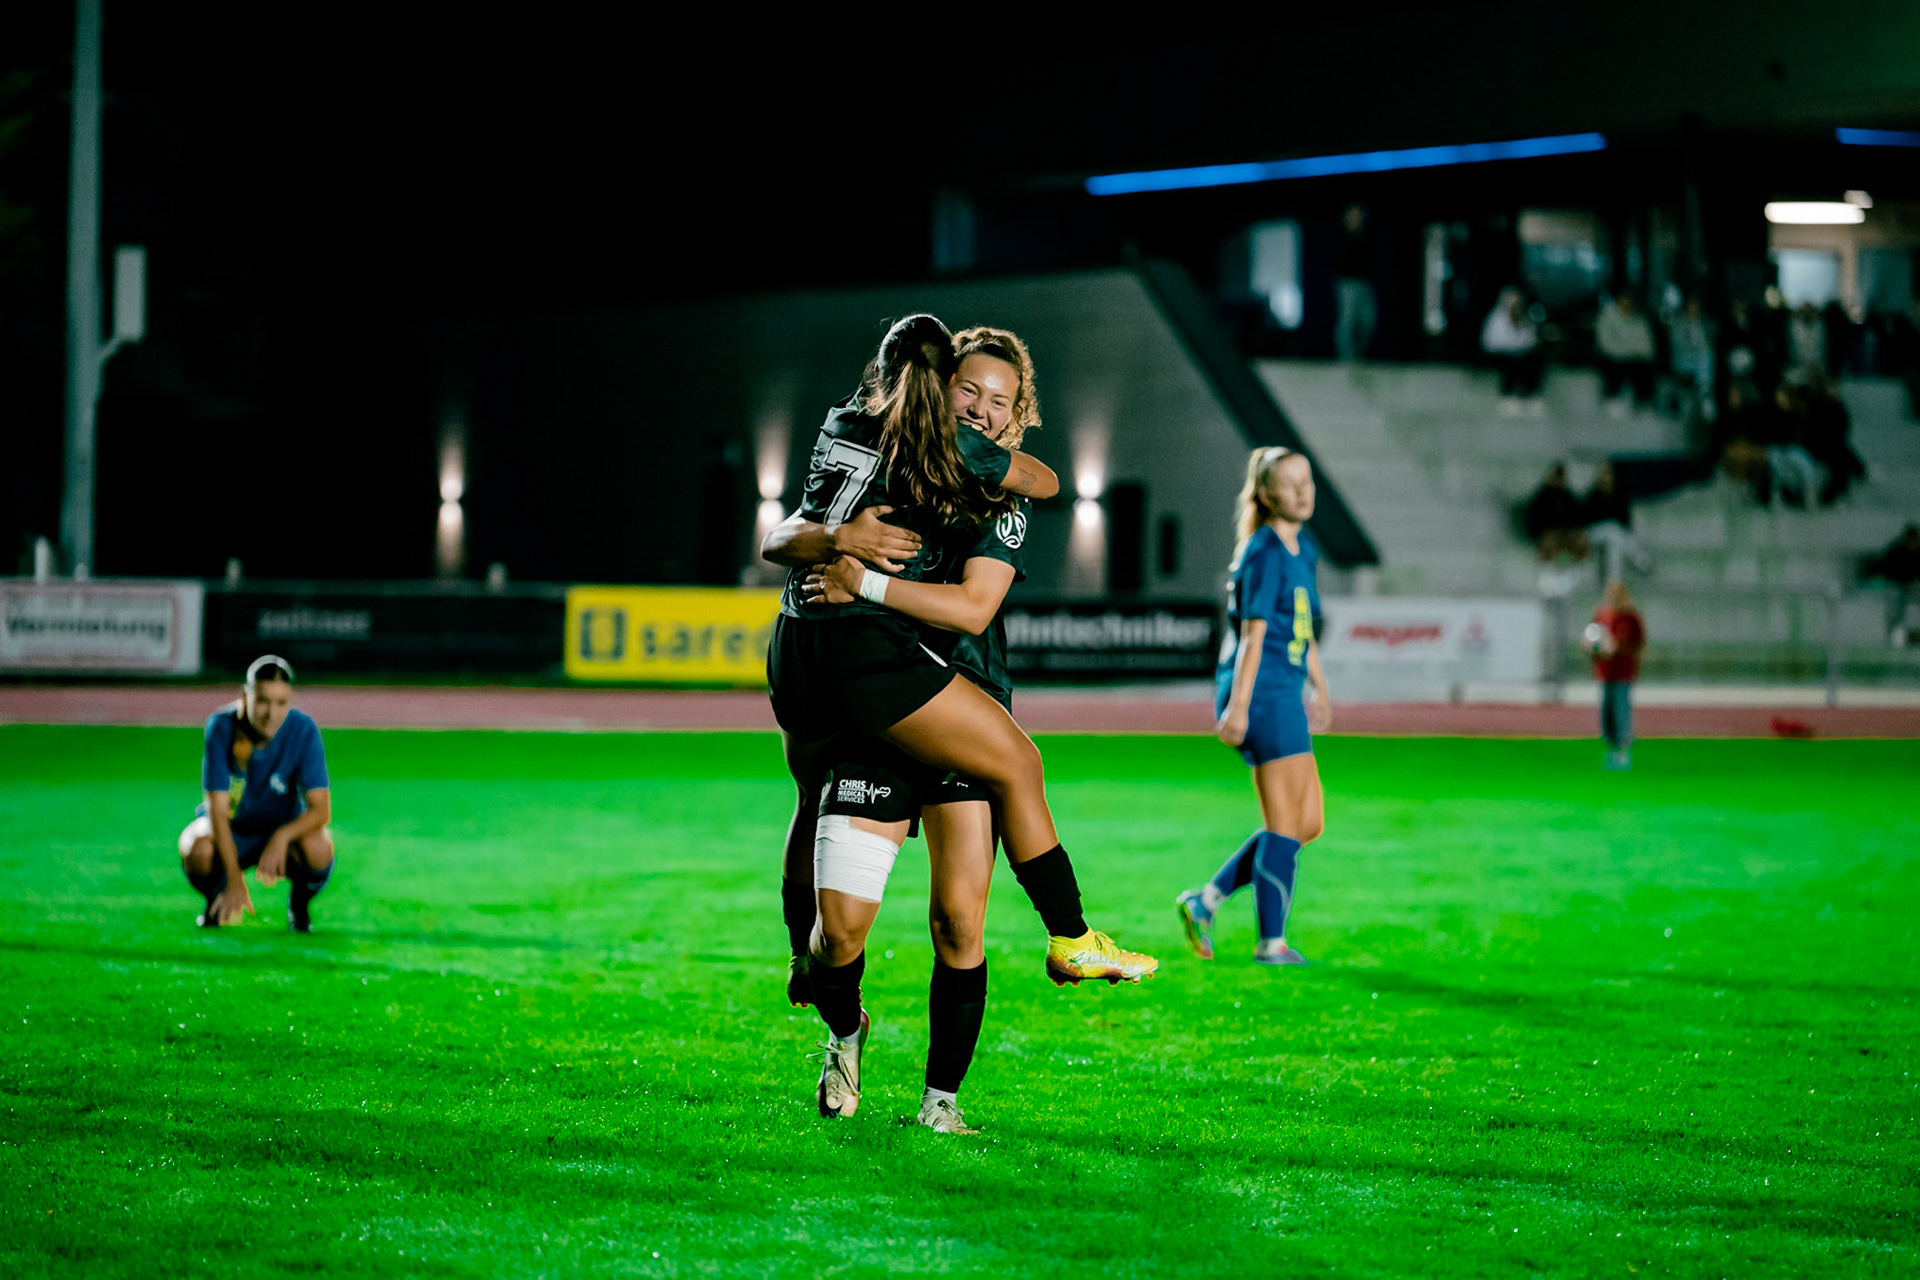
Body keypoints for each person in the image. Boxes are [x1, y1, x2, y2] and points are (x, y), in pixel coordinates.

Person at [761, 318, 1152, 1114]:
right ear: (938, 388)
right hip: (882, 693)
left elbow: (976, 603)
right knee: (837, 937)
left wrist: (857, 580)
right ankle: (844, 1032)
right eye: (967, 388)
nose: (980, 407)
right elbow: (786, 532)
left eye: (999, 400)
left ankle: (942, 1101)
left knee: (958, 923)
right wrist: (837, 543)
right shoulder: (898, 441)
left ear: (1018, 414)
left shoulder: (996, 489)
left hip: (951, 697)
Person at [1176, 447, 1332, 967]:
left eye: (1306, 480)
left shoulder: (1301, 547)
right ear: (1266, 494)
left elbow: (1302, 626)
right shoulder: (1263, 551)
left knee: (1307, 823)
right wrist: (1238, 708)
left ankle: (1206, 901)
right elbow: (1253, 635)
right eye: (1290, 484)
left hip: (1284, 689)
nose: (1303, 491)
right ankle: (1271, 943)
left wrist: (1320, 684)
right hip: (1261, 692)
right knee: (1286, 824)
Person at [177, 655, 335, 931]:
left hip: (279, 829)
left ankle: (299, 906)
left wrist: (282, 836)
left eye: (281, 703)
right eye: (262, 701)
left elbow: (321, 810)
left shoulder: (303, 730)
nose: (270, 714)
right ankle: (217, 898)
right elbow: (217, 810)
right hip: (232, 830)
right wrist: (234, 879)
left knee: (319, 847)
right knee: (195, 847)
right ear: (245, 696)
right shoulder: (221, 727)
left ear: (291, 701)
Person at [1587, 581, 1646, 770]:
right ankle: (1610, 747)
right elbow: (1591, 638)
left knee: (1621, 708)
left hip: (1623, 671)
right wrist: (1594, 650)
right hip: (1606, 670)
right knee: (1607, 709)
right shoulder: (1602, 616)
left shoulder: (1631, 618)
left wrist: (1618, 648)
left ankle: (1623, 748)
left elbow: (1638, 643)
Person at [1481, 287, 1544, 413]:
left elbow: (1530, 340)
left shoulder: (1525, 317)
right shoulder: (1497, 317)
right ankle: (1508, 395)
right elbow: (1490, 342)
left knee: (1531, 360)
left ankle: (1530, 394)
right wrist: (1512, 347)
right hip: (1499, 354)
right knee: (1510, 362)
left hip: (1519, 354)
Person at [1595, 292, 1656, 412]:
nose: (1626, 304)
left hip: (1635, 359)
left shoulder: (1639, 321)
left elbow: (1647, 344)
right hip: (1614, 357)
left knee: (1644, 368)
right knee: (1616, 367)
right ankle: (1613, 399)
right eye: (1623, 301)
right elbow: (1606, 344)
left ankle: (1643, 403)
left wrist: (1638, 354)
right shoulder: (1607, 319)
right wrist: (1628, 351)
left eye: (1629, 301)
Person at [1333, 205, 1377, 361]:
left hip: (1364, 283)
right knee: (1347, 320)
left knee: (1368, 320)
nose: (1356, 219)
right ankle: (1346, 357)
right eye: (1352, 215)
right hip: (1347, 283)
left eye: (1358, 215)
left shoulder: (1365, 236)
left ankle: (1358, 354)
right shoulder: (1341, 238)